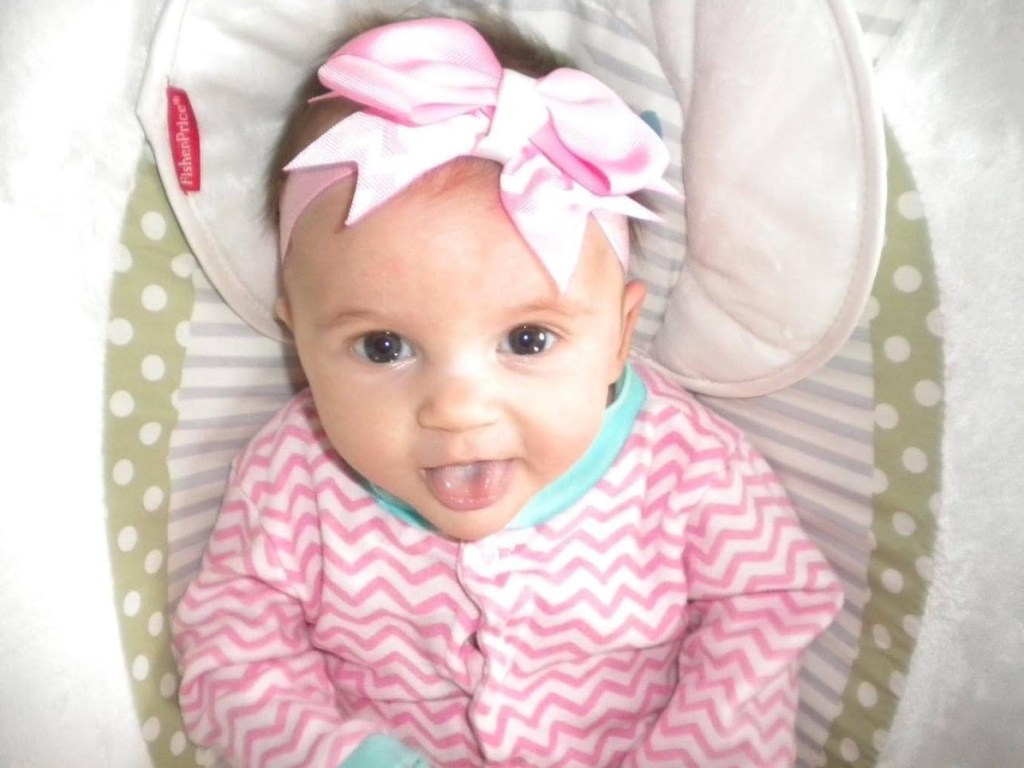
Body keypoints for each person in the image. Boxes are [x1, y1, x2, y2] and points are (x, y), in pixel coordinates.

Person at [172, 12, 843, 768]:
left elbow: (767, 606)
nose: (458, 409)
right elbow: (232, 645)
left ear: (619, 335)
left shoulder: (687, 466)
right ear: (299, 337)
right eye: (383, 347)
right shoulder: (295, 473)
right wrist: (344, 757)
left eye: (527, 340)